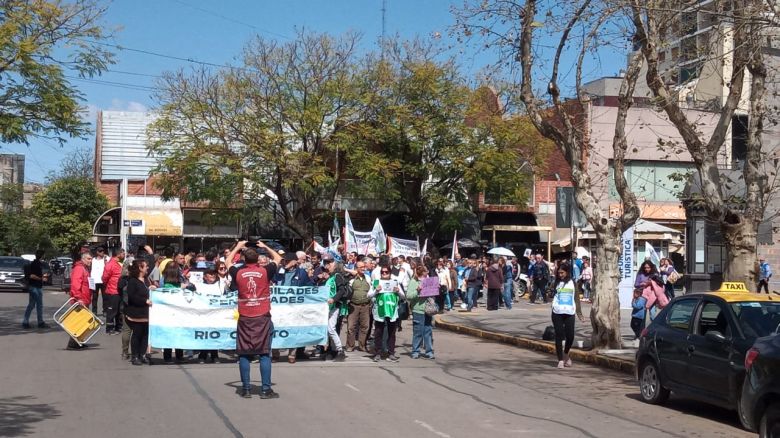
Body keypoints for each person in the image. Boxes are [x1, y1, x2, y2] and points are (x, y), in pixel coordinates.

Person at [234, 246, 278, 399]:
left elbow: (227, 262)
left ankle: (246, 389)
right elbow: (278, 258)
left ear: (244, 259)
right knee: (264, 353)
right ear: (258, 259)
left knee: (244, 354)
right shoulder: (265, 271)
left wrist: (238, 247)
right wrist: (265, 246)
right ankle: (266, 390)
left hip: (245, 316)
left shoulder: (238, 272)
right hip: (262, 315)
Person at [368, 266, 405, 362]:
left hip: (392, 311)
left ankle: (391, 353)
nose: (384, 274)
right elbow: (368, 295)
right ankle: (377, 353)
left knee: (392, 333)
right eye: (382, 272)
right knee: (378, 332)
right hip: (379, 311)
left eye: (386, 272)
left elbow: (403, 296)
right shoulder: (376, 282)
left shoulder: (395, 282)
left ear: (390, 272)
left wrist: (398, 292)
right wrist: (376, 290)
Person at [551, 263, 579, 369]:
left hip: (569, 312)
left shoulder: (573, 283)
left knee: (570, 336)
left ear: (567, 272)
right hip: (557, 312)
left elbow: (576, 298)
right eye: (559, 273)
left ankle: (566, 353)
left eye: (562, 273)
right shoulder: (556, 282)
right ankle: (560, 360)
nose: (560, 275)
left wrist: (579, 314)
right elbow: (551, 292)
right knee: (559, 335)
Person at [125, 259, 153, 366]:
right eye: (145, 266)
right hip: (136, 312)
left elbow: (147, 290)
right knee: (137, 334)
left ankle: (143, 354)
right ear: (140, 268)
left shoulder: (146, 279)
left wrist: (152, 288)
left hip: (146, 313)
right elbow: (132, 297)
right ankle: (135, 356)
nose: (147, 268)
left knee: (146, 334)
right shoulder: (133, 281)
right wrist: (144, 301)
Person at [406, 265, 434, 359]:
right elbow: (409, 296)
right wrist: (418, 291)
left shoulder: (429, 281)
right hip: (418, 310)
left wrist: (435, 289)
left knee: (428, 331)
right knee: (418, 332)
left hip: (428, 310)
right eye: (426, 271)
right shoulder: (413, 282)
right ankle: (415, 351)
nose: (428, 273)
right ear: (422, 272)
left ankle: (429, 351)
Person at [67, 251, 93, 350]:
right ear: (83, 259)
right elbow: (75, 285)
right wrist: (79, 298)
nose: (90, 261)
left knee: (83, 322)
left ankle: (78, 342)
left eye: (91, 259)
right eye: (88, 259)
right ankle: (72, 344)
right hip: (80, 300)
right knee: (78, 322)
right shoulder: (79, 269)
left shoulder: (85, 269)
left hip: (85, 299)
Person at [323, 259, 348, 361]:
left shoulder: (337, 276)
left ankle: (340, 350)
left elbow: (342, 290)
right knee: (329, 329)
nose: (327, 266)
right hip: (328, 307)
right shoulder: (331, 276)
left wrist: (333, 299)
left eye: (329, 264)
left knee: (331, 329)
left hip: (334, 306)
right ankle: (333, 351)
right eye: (326, 264)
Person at [346, 259, 372, 353]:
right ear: (356, 268)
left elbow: (371, 290)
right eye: (361, 267)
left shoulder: (368, 278)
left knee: (365, 327)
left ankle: (362, 345)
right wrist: (351, 273)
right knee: (351, 327)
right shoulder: (351, 279)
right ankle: (350, 345)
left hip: (365, 306)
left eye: (364, 267)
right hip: (353, 306)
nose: (363, 269)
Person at [22, 249, 49, 329]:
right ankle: (40, 322)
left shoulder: (37, 264)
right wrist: (41, 279)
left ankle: (25, 322)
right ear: (42, 256)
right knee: (39, 305)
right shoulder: (35, 264)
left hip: (36, 287)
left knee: (32, 305)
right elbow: (31, 276)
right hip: (34, 287)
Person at [101, 248, 125, 334]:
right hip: (112, 291)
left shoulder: (119, 264)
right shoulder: (110, 264)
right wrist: (110, 285)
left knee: (119, 310)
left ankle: (118, 327)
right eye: (123, 253)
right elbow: (104, 278)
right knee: (112, 310)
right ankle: (109, 328)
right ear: (118, 254)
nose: (124, 255)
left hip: (119, 290)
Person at [90, 247, 109, 314]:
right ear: (97, 252)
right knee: (94, 297)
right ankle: (94, 311)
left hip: (103, 280)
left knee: (105, 297)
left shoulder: (106, 259)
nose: (102, 252)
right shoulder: (92, 260)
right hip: (94, 280)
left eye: (103, 251)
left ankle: (105, 310)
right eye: (100, 251)